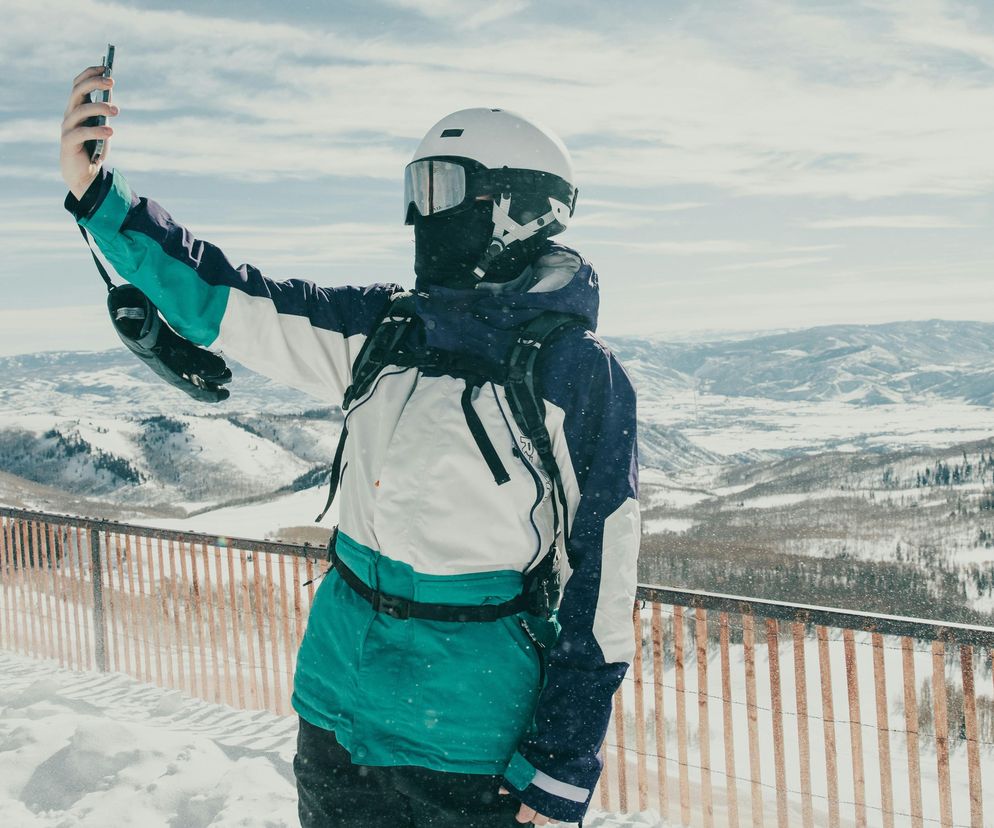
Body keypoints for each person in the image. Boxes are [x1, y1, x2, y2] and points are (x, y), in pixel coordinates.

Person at [60, 64, 640, 827]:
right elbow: (229, 297)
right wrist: (101, 197)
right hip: (338, 708)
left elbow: (603, 587)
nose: (418, 216)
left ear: (518, 210)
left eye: (442, 190)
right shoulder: (384, 328)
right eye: (416, 189)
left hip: (468, 740)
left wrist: (559, 767)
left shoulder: (575, 372)